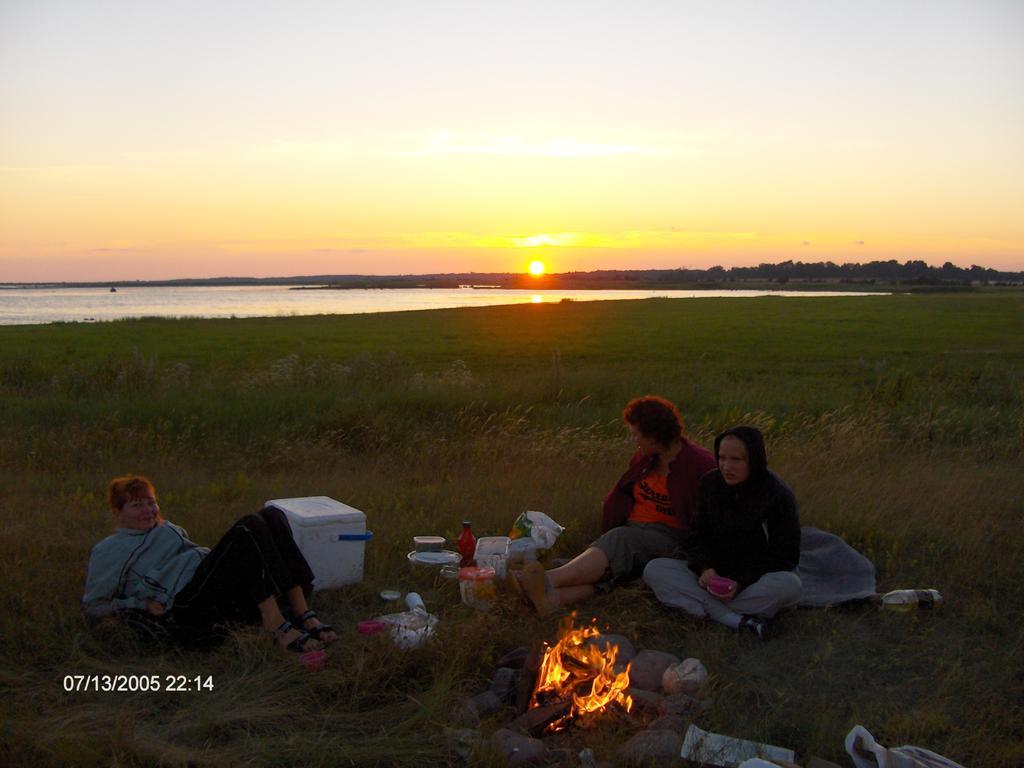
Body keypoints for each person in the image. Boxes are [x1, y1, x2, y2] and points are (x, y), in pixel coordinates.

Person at [82, 475, 336, 652]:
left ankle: (303, 613)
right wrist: (141, 604)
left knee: (272, 515)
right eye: (136, 505)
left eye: (151, 502)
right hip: (184, 602)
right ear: (118, 511)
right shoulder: (110, 550)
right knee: (249, 527)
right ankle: (276, 625)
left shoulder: (165, 529)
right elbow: (95, 604)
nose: (148, 510)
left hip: (205, 582)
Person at [517, 396, 716, 613]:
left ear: (655, 436)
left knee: (619, 541)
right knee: (608, 565)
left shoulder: (699, 465)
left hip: (671, 538)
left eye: (636, 434)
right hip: (634, 531)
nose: (634, 440)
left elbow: (711, 519)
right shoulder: (646, 458)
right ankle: (553, 599)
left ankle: (543, 581)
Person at [643, 426, 802, 640]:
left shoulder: (777, 495)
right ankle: (737, 619)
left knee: (790, 585)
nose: (727, 466)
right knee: (655, 569)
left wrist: (740, 581)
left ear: (754, 459)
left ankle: (708, 612)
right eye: (722, 458)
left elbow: (785, 557)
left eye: (736, 460)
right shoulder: (710, 484)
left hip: (750, 582)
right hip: (711, 578)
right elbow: (695, 536)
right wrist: (704, 568)